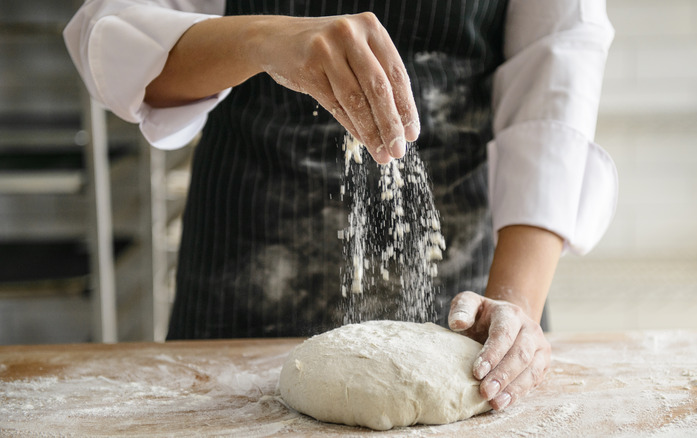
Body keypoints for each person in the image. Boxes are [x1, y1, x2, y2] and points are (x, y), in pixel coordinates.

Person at [64, 0, 617, 412]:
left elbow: (558, 73)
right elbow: (113, 36)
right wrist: (261, 39)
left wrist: (513, 299)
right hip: (246, 274)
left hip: (466, 303)